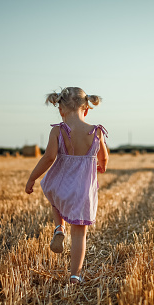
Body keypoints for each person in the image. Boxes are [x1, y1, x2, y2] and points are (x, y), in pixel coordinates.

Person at [25, 87, 109, 284]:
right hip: (83, 190)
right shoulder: (96, 131)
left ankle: (59, 228)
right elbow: (103, 156)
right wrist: (102, 165)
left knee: (55, 198)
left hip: (61, 182)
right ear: (86, 109)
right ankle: (75, 275)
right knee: (80, 234)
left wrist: (32, 178)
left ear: (61, 110)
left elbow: (49, 158)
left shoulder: (58, 130)